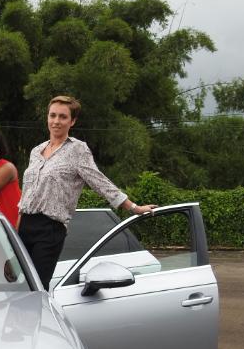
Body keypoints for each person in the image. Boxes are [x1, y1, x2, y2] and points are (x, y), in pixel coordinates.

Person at [18, 95, 157, 290]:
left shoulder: (78, 149)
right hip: (24, 226)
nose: (56, 121)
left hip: (50, 229)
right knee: (17, 285)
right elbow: (25, 196)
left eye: (63, 117)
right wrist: (16, 230)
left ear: (72, 121)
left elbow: (99, 181)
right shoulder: (36, 151)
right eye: (52, 115)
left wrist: (133, 207)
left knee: (36, 288)